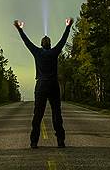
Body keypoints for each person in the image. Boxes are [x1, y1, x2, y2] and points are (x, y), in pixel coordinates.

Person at [13, 17, 73, 148]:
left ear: (41, 44)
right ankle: (60, 141)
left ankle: (34, 142)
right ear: (50, 44)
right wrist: (68, 26)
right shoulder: (54, 52)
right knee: (56, 113)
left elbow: (26, 42)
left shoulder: (37, 52)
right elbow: (63, 40)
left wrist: (19, 29)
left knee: (38, 114)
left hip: (41, 85)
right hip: (53, 85)